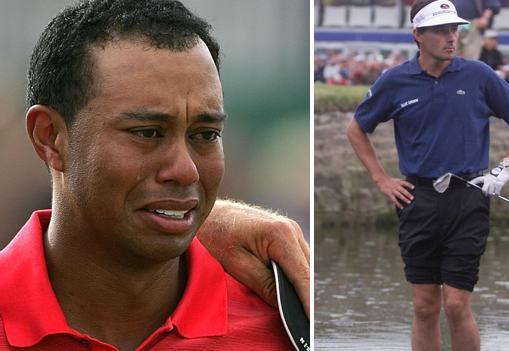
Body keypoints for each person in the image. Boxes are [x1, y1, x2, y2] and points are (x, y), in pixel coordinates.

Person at [0, 1, 308, 350]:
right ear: (50, 137)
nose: (185, 169)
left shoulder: (289, 328)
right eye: (147, 133)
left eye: (206, 135)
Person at [346, 1, 509, 350]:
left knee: (456, 305)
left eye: (454, 29)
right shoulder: (395, 81)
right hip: (417, 200)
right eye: (441, 30)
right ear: (417, 35)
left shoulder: (477, 74)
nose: (452, 37)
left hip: (469, 198)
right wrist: (382, 179)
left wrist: (506, 167)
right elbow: (357, 129)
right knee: (424, 306)